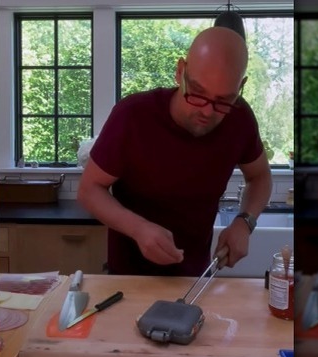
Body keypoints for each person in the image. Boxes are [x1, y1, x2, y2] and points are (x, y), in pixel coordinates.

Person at [77, 26, 272, 277]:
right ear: (180, 72)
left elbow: (260, 177)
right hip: (128, 278)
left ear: (241, 87)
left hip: (195, 276)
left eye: (223, 101)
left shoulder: (240, 118)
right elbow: (89, 190)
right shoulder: (133, 115)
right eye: (198, 93)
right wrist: (138, 228)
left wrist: (245, 222)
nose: (207, 111)